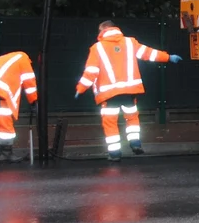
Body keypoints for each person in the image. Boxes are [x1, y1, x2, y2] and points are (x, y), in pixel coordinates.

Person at [75, 21, 182, 161]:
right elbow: (149, 53)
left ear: (102, 31)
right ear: (115, 28)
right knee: (131, 117)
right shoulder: (130, 42)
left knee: (110, 122)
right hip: (130, 91)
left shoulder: (97, 48)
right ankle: (135, 143)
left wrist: (80, 89)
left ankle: (114, 154)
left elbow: (91, 72)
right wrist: (168, 57)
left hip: (109, 94)